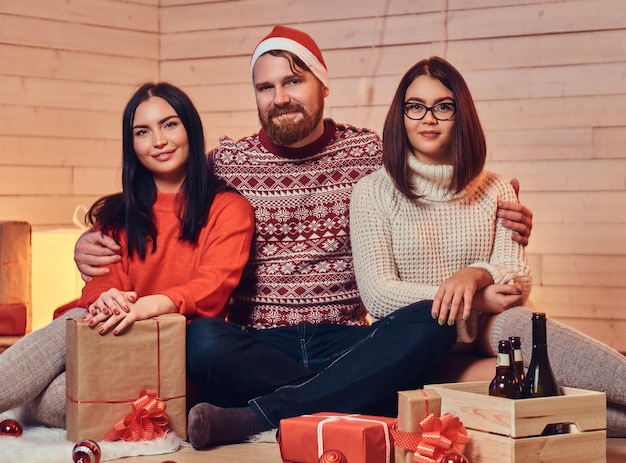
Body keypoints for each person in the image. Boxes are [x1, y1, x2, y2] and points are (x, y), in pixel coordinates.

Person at [73, 26, 534, 448]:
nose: (280, 97)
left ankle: (261, 414)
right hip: (257, 342)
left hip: (349, 337)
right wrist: (89, 240)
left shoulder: (371, 152)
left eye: (293, 81)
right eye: (266, 87)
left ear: (322, 84)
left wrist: (502, 215)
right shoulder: (225, 163)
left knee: (431, 323)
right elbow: (166, 205)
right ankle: (355, 394)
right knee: (201, 341)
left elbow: (440, 185)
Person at [350, 55, 626, 437]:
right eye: (415, 107)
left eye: (443, 107)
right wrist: (475, 298)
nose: (428, 118)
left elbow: (516, 281)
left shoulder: (493, 187)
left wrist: (476, 274)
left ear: (460, 115)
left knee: (520, 325)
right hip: (422, 350)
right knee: (529, 392)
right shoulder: (373, 192)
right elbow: (379, 295)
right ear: (400, 116)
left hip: (486, 336)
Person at [0, 82, 254, 429]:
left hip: (174, 351)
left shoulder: (228, 208)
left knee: (57, 401)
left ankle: (23, 401)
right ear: (132, 145)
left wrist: (150, 305)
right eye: (142, 132)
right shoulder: (117, 212)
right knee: (76, 318)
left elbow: (214, 284)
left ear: (190, 128)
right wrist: (107, 296)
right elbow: (104, 277)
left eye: (169, 124)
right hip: (108, 332)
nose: (159, 141)